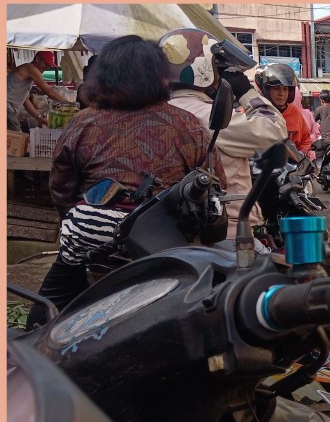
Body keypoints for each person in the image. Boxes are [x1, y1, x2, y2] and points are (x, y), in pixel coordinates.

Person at [26, 35, 226, 329]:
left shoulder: (82, 122)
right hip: (165, 252)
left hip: (90, 248)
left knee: (40, 328)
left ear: (103, 76)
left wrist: (85, 227)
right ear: (161, 77)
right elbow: (214, 194)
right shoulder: (187, 125)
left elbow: (61, 190)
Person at [160, 28, 288, 226]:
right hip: (228, 228)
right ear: (205, 71)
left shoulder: (160, 112)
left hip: (176, 229)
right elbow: (275, 131)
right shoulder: (208, 115)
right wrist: (247, 92)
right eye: (217, 68)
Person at [256, 63, 310, 158]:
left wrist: (301, 155)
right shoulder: (253, 112)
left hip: (290, 169)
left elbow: (305, 140)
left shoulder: (294, 113)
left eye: (285, 89)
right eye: (276, 89)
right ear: (266, 90)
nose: (282, 94)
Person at [6, 50, 67, 130]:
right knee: (17, 138)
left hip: (9, 110)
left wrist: (39, 118)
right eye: (46, 64)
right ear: (38, 59)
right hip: (6, 108)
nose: (47, 68)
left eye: (49, 66)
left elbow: (25, 100)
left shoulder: (28, 75)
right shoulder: (30, 68)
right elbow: (49, 91)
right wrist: (69, 104)